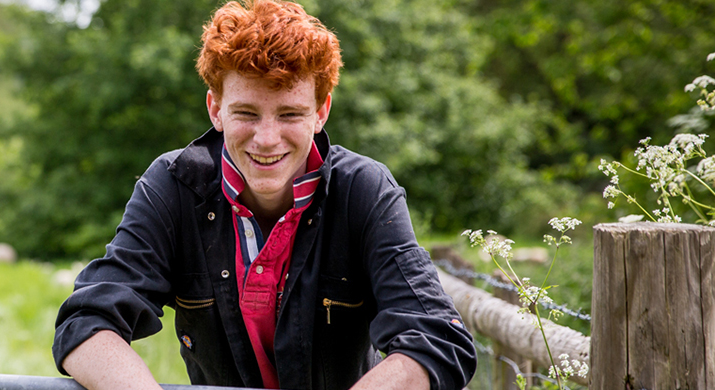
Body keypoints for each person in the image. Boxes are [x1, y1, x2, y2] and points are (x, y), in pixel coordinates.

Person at [52, 1, 476, 389]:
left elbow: (438, 337)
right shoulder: (173, 185)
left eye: (290, 114)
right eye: (246, 113)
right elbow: (87, 321)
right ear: (215, 109)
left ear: (321, 110)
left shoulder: (364, 191)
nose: (267, 139)